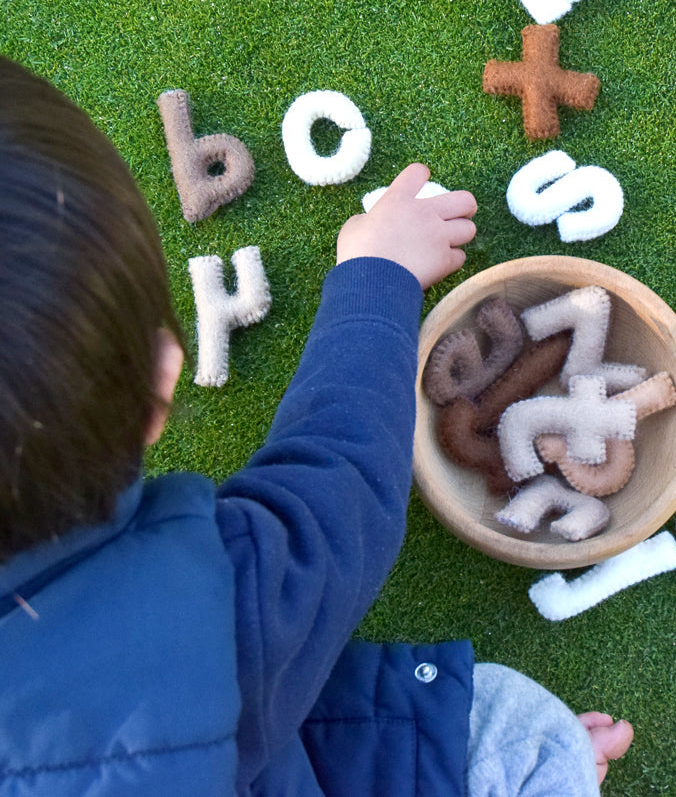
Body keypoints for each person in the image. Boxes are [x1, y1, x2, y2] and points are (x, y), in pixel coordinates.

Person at [0, 55, 632, 794]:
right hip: (265, 753)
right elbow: (339, 483)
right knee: (524, 741)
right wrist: (379, 273)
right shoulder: (216, 603)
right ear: (161, 383)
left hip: (222, 748)